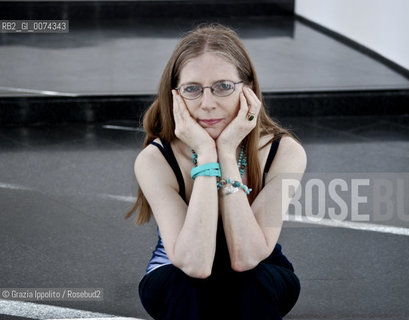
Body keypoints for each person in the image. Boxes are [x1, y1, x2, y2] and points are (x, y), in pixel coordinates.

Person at [126, 23, 307, 320]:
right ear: (175, 95)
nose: (207, 104)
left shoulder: (284, 153)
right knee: (187, 285)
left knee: (254, 283)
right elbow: (195, 264)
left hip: (260, 271)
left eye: (223, 86)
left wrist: (226, 152)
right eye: (192, 89)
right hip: (176, 274)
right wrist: (207, 154)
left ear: (247, 89)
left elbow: (246, 257)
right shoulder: (155, 160)